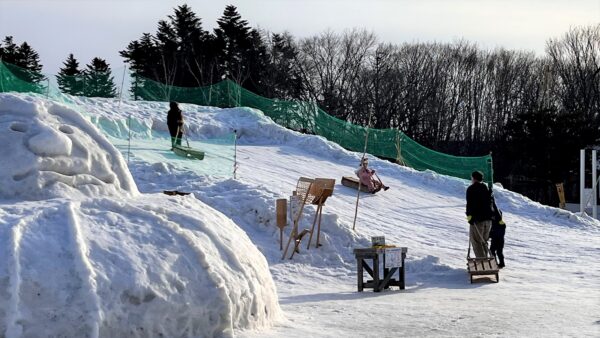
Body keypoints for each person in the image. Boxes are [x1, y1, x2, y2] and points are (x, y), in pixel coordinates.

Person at [465, 171, 494, 258]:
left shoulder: (471, 189)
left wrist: (470, 217)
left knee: (477, 241)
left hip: (478, 220)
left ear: (473, 178)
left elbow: (470, 204)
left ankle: (482, 261)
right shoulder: (486, 188)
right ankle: (485, 259)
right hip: (488, 220)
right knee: (483, 241)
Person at [490, 196, 506, 268]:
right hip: (495, 239)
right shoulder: (493, 223)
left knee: (499, 252)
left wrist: (493, 201)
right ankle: (494, 263)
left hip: (499, 240)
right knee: (492, 251)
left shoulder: (501, 222)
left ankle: (501, 263)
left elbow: (496, 210)